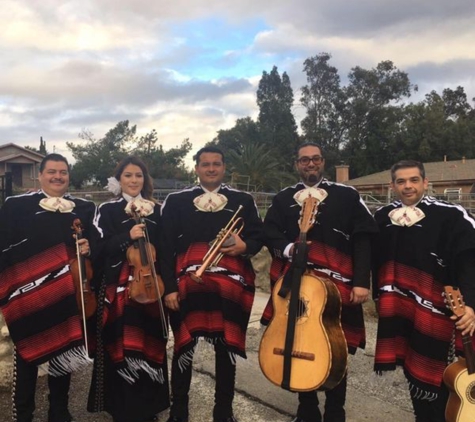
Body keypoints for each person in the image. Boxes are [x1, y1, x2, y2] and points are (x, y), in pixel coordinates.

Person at [261, 142, 378, 422]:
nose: (310, 164)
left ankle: (335, 412)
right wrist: (288, 249)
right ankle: (307, 409)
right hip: (298, 284)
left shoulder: (347, 195)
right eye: (304, 160)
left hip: (339, 287)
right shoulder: (283, 198)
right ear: (296, 164)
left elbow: (363, 236)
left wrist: (362, 281)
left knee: (338, 347)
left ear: (323, 162)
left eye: (315, 159)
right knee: (298, 340)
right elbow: (269, 232)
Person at [159, 146, 264, 422]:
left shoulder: (242, 198)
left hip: (228, 289)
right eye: (205, 164)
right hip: (185, 288)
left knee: (226, 347)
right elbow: (164, 246)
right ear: (196, 168)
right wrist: (169, 287)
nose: (211, 169)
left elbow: (257, 237)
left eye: (216, 164)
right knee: (183, 346)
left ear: (224, 167)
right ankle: (179, 410)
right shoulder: (175, 200)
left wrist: (244, 245)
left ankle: (223, 410)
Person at [372, 159, 475, 422]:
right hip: (399, 311)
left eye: (414, 180)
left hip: (441, 313)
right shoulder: (382, 218)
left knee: (445, 376)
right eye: (401, 181)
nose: (408, 186)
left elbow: (469, 261)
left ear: (425, 182)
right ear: (392, 185)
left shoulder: (450, 216)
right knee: (410, 366)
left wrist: (471, 305)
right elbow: (367, 254)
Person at [0, 153, 95, 422]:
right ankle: (24, 414)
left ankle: (59, 411)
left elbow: (97, 244)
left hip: (66, 293)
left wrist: (89, 247)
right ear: (40, 175)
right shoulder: (16, 205)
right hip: (28, 293)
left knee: (63, 354)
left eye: (63, 172)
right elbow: (4, 245)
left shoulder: (83, 208)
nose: (57, 176)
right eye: (51, 171)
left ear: (68, 176)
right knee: (27, 358)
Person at [87, 156, 170, 422]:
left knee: (150, 345)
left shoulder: (157, 210)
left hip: (151, 287)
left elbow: (167, 251)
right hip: (118, 290)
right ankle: (122, 410)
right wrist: (127, 237)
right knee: (120, 348)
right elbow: (99, 250)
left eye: (139, 176)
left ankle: (148, 409)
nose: (134, 180)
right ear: (119, 179)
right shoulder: (107, 210)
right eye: (128, 176)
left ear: (145, 180)